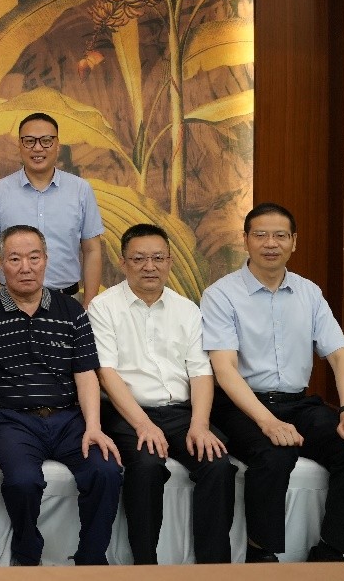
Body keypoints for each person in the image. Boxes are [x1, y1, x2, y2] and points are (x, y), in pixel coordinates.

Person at [201, 202, 344, 563]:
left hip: (298, 403)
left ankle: (332, 550)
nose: (271, 243)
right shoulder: (221, 294)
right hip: (241, 404)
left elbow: (340, 357)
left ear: (294, 242)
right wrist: (267, 422)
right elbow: (225, 370)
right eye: (261, 235)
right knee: (274, 453)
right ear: (246, 240)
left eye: (280, 236)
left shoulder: (309, 293)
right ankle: (261, 552)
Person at [0, 224, 121, 566]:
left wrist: (94, 427)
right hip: (13, 422)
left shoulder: (72, 311)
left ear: (46, 260)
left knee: (106, 471)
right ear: (1, 265)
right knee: (22, 481)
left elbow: (86, 374)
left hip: (69, 420)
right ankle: (27, 554)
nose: (26, 267)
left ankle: (91, 559)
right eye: (15, 259)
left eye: (34, 258)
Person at [88, 223, 235, 564]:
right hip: (127, 413)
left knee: (217, 464)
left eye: (157, 258)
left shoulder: (187, 310)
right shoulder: (103, 307)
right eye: (139, 258)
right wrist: (143, 424)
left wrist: (200, 425)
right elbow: (106, 374)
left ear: (169, 261)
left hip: (181, 413)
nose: (149, 266)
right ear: (123, 263)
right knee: (147, 465)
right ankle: (145, 564)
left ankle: (213, 567)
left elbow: (200, 372)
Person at [0, 112, 104, 306]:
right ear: (19, 145)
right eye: (29, 141)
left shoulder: (81, 190)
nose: (37, 148)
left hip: (65, 300)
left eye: (46, 141)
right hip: (9, 300)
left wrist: (89, 306)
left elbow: (92, 249)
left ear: (58, 145)